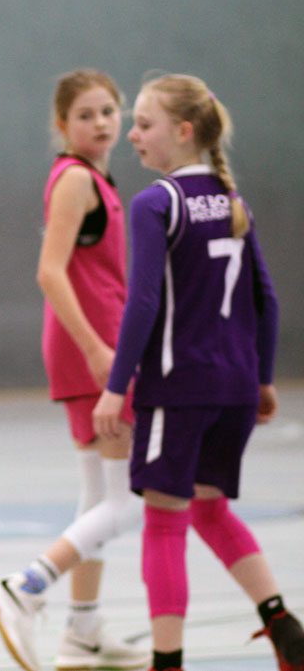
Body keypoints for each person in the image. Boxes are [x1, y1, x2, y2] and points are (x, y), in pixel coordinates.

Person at [93, 73, 303, 671]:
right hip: (234, 388)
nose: (131, 134)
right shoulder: (233, 200)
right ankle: (284, 626)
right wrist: (261, 378)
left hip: (178, 389)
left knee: (164, 524)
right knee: (209, 510)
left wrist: (116, 388)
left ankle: (167, 661)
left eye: (144, 123)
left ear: (183, 132)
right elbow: (268, 298)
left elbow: (144, 304)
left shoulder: (156, 202)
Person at [0, 69, 148, 671]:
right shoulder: (76, 179)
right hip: (93, 347)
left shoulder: (98, 178)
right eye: (86, 114)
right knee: (127, 499)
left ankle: (83, 631)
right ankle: (25, 587)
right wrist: (102, 351)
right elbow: (50, 272)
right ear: (62, 125)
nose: (101, 122)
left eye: (109, 111)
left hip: (94, 342)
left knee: (98, 494)